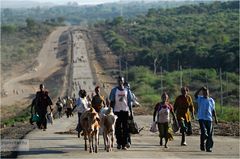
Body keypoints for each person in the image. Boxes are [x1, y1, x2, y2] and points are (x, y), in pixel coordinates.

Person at [109, 76, 133, 150]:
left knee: (126, 128)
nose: (120, 82)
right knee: (117, 129)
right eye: (119, 81)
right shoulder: (114, 90)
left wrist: (131, 112)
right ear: (117, 81)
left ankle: (125, 144)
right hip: (117, 112)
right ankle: (119, 143)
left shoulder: (127, 90)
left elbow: (129, 102)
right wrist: (111, 111)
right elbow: (112, 101)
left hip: (125, 111)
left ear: (123, 81)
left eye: (121, 81)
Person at [195, 86, 218, 152]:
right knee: (203, 132)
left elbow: (213, 110)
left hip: (209, 119)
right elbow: (195, 95)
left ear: (208, 93)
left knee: (210, 133)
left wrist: (215, 118)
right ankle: (202, 144)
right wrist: (200, 88)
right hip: (201, 118)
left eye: (206, 93)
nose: (205, 94)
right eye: (204, 93)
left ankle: (208, 147)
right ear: (202, 93)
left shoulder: (211, 100)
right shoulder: (200, 99)